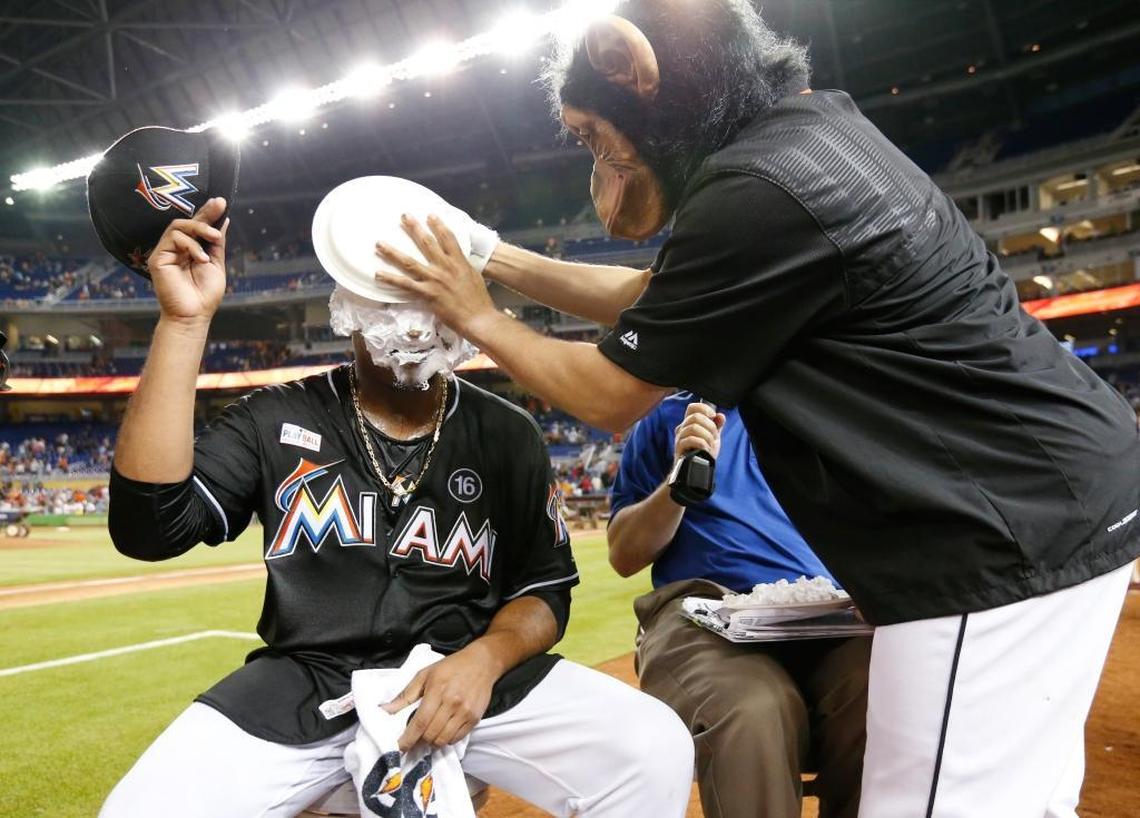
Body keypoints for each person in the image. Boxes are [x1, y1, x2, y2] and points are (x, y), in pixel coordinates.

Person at [369, 2, 1140, 815]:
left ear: (641, 74)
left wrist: (477, 315)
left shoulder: (759, 188)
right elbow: (650, 295)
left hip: (998, 535)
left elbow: (610, 393)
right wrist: (491, 256)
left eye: (596, 132)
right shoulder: (807, 136)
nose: (602, 157)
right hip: (1049, 497)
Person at [99, 197, 694, 818]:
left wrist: (484, 661)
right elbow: (151, 527)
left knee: (652, 747)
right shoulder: (273, 416)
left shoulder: (509, 431)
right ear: (347, 306)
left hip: (469, 676)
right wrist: (184, 323)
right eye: (388, 296)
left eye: (431, 294)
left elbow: (544, 591)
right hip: (307, 679)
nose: (412, 323)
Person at [609, 393, 869, 818]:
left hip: (827, 612)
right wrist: (679, 485)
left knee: (892, 692)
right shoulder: (668, 417)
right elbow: (624, 555)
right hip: (702, 608)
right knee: (753, 708)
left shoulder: (830, 415)